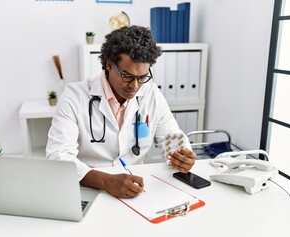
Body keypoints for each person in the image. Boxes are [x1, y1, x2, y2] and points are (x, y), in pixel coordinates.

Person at [46, 25, 197, 199]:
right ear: (110, 65)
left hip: (134, 190)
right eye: (127, 76)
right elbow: (58, 156)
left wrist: (182, 155)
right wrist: (105, 181)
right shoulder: (74, 96)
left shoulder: (151, 94)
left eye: (142, 77)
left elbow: (172, 136)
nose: (135, 86)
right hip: (88, 189)